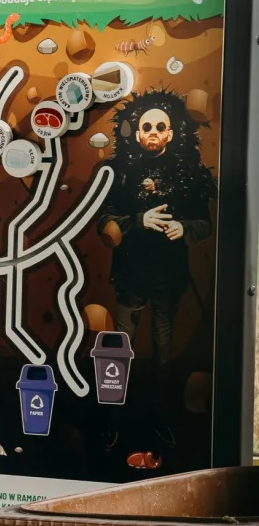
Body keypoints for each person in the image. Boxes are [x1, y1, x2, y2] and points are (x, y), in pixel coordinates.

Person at [95, 89, 216, 369]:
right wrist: (139, 221)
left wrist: (183, 228)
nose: (153, 132)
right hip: (129, 272)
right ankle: (116, 400)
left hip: (170, 273)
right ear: (137, 134)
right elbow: (103, 219)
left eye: (160, 127)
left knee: (164, 344)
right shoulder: (119, 173)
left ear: (170, 134)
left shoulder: (191, 174)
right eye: (146, 127)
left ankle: (160, 398)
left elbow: (205, 225)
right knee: (121, 342)